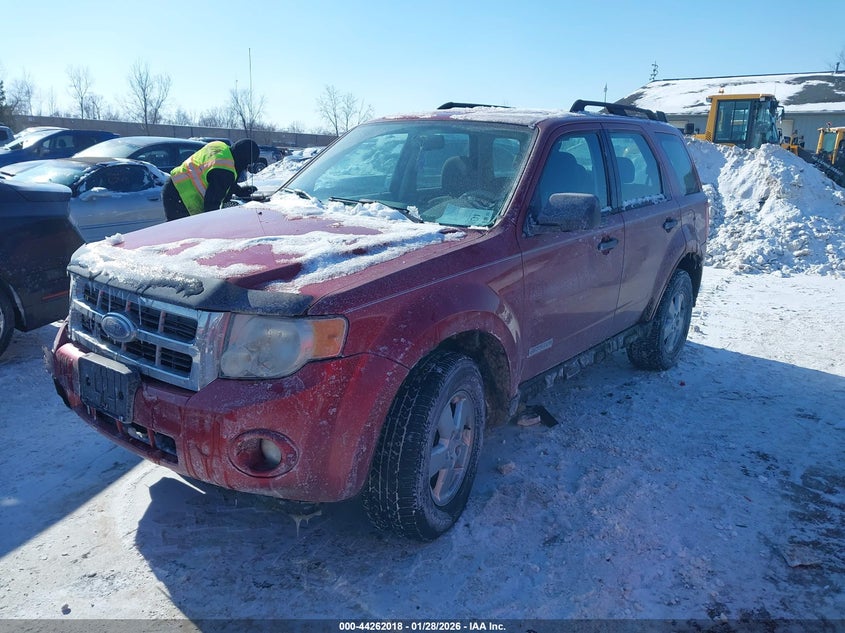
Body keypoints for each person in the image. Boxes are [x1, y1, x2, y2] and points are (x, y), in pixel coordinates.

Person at [162, 138, 260, 221]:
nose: (245, 168)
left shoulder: (220, 147)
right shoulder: (225, 171)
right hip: (180, 198)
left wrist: (239, 191)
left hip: (173, 185)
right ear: (243, 160)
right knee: (181, 237)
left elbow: (216, 179)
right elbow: (211, 206)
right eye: (247, 164)